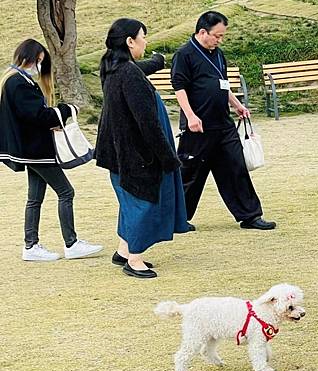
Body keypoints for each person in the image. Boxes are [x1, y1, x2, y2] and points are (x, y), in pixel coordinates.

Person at [95, 18, 189, 279]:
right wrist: (168, 158)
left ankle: (123, 250)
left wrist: (157, 62)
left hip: (115, 151)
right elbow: (147, 123)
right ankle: (134, 259)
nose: (146, 41)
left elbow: (136, 70)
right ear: (130, 41)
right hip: (134, 153)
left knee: (129, 202)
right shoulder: (128, 74)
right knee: (142, 202)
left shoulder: (111, 66)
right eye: (143, 37)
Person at [171, 11, 276, 231]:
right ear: (202, 32)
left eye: (222, 36)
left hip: (223, 124)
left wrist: (237, 105)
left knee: (235, 167)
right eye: (217, 36)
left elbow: (223, 84)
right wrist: (190, 116)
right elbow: (179, 88)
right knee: (190, 174)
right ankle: (176, 219)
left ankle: (250, 216)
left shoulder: (218, 54)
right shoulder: (185, 54)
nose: (220, 40)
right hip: (197, 126)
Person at [0, 39, 103, 262]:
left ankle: (31, 245)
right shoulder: (18, 83)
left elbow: (31, 116)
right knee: (66, 192)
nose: (40, 66)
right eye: (40, 61)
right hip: (36, 150)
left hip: (31, 150)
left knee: (34, 198)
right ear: (33, 58)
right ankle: (71, 243)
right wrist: (65, 110)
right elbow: (37, 116)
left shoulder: (14, 80)